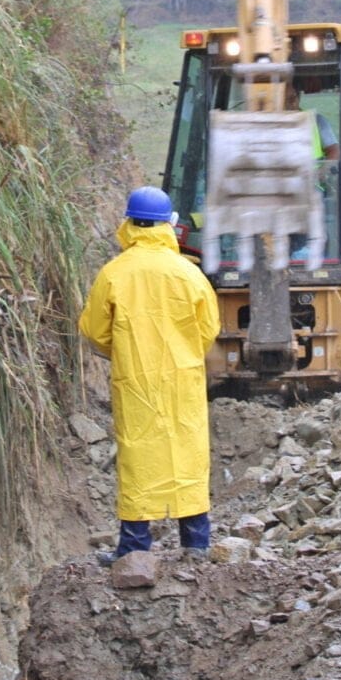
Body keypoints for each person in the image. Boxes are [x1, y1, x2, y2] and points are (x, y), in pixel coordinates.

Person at [79, 186, 221, 565]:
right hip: (183, 383)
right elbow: (209, 328)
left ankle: (134, 548)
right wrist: (185, 353)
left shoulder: (114, 273)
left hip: (136, 381)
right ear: (167, 225)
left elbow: (94, 331)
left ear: (129, 223)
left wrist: (124, 350)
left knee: (138, 456)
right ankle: (196, 544)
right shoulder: (188, 274)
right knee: (188, 454)